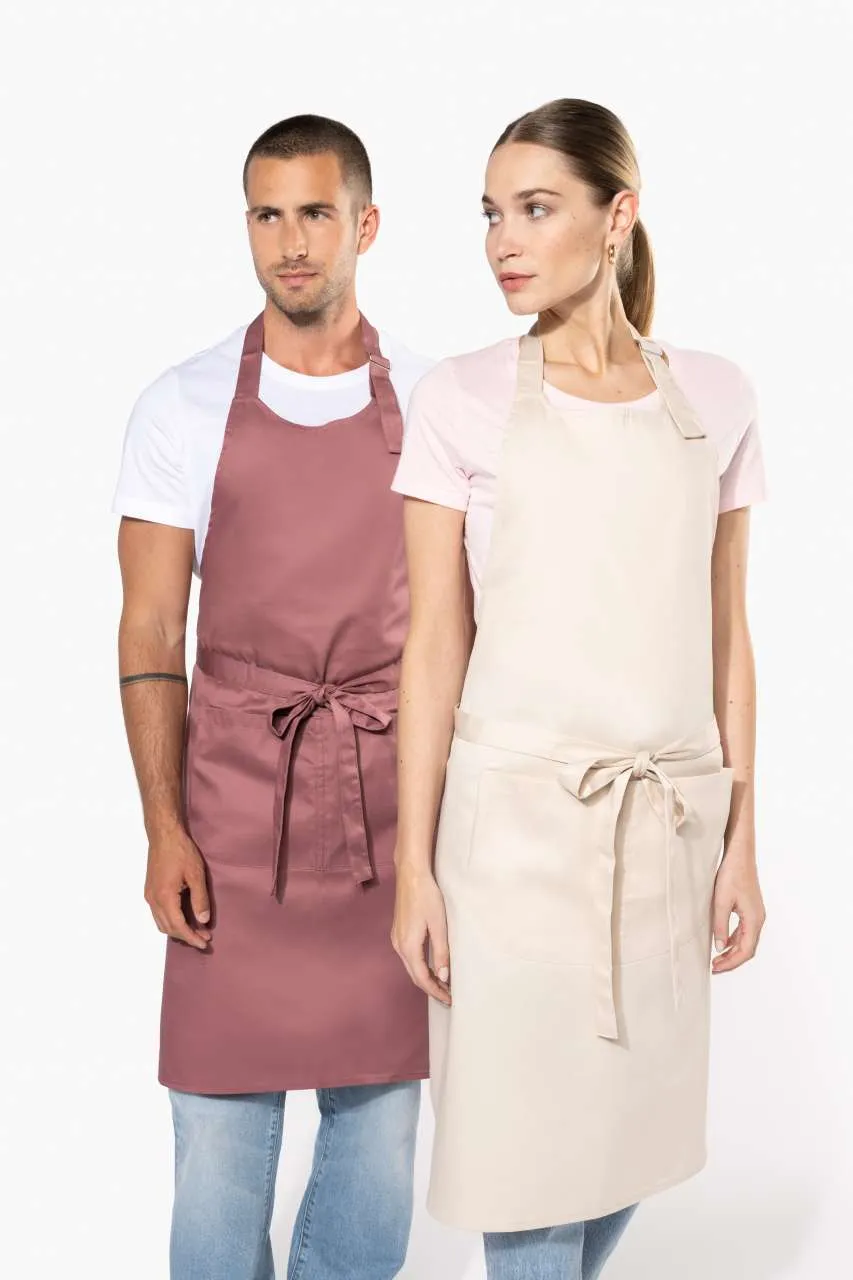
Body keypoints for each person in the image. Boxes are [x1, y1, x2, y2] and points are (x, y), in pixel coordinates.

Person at [390, 98, 767, 1279]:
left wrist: (740, 844)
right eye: (490, 213)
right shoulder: (458, 398)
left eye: (535, 208)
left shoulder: (715, 396)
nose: (502, 240)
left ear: (618, 216)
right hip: (506, 842)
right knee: (524, 1169)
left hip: (664, 833)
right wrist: (414, 865)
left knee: (626, 1146)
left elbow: (726, 637)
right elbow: (432, 647)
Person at [114, 114, 431, 1280]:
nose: (291, 243)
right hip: (230, 825)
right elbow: (152, 628)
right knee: (216, 1155)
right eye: (267, 214)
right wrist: (163, 825)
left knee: (380, 1147)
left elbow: (463, 630)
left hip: (389, 821)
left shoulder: (433, 405)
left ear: (365, 225)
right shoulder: (183, 403)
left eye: (315, 213)